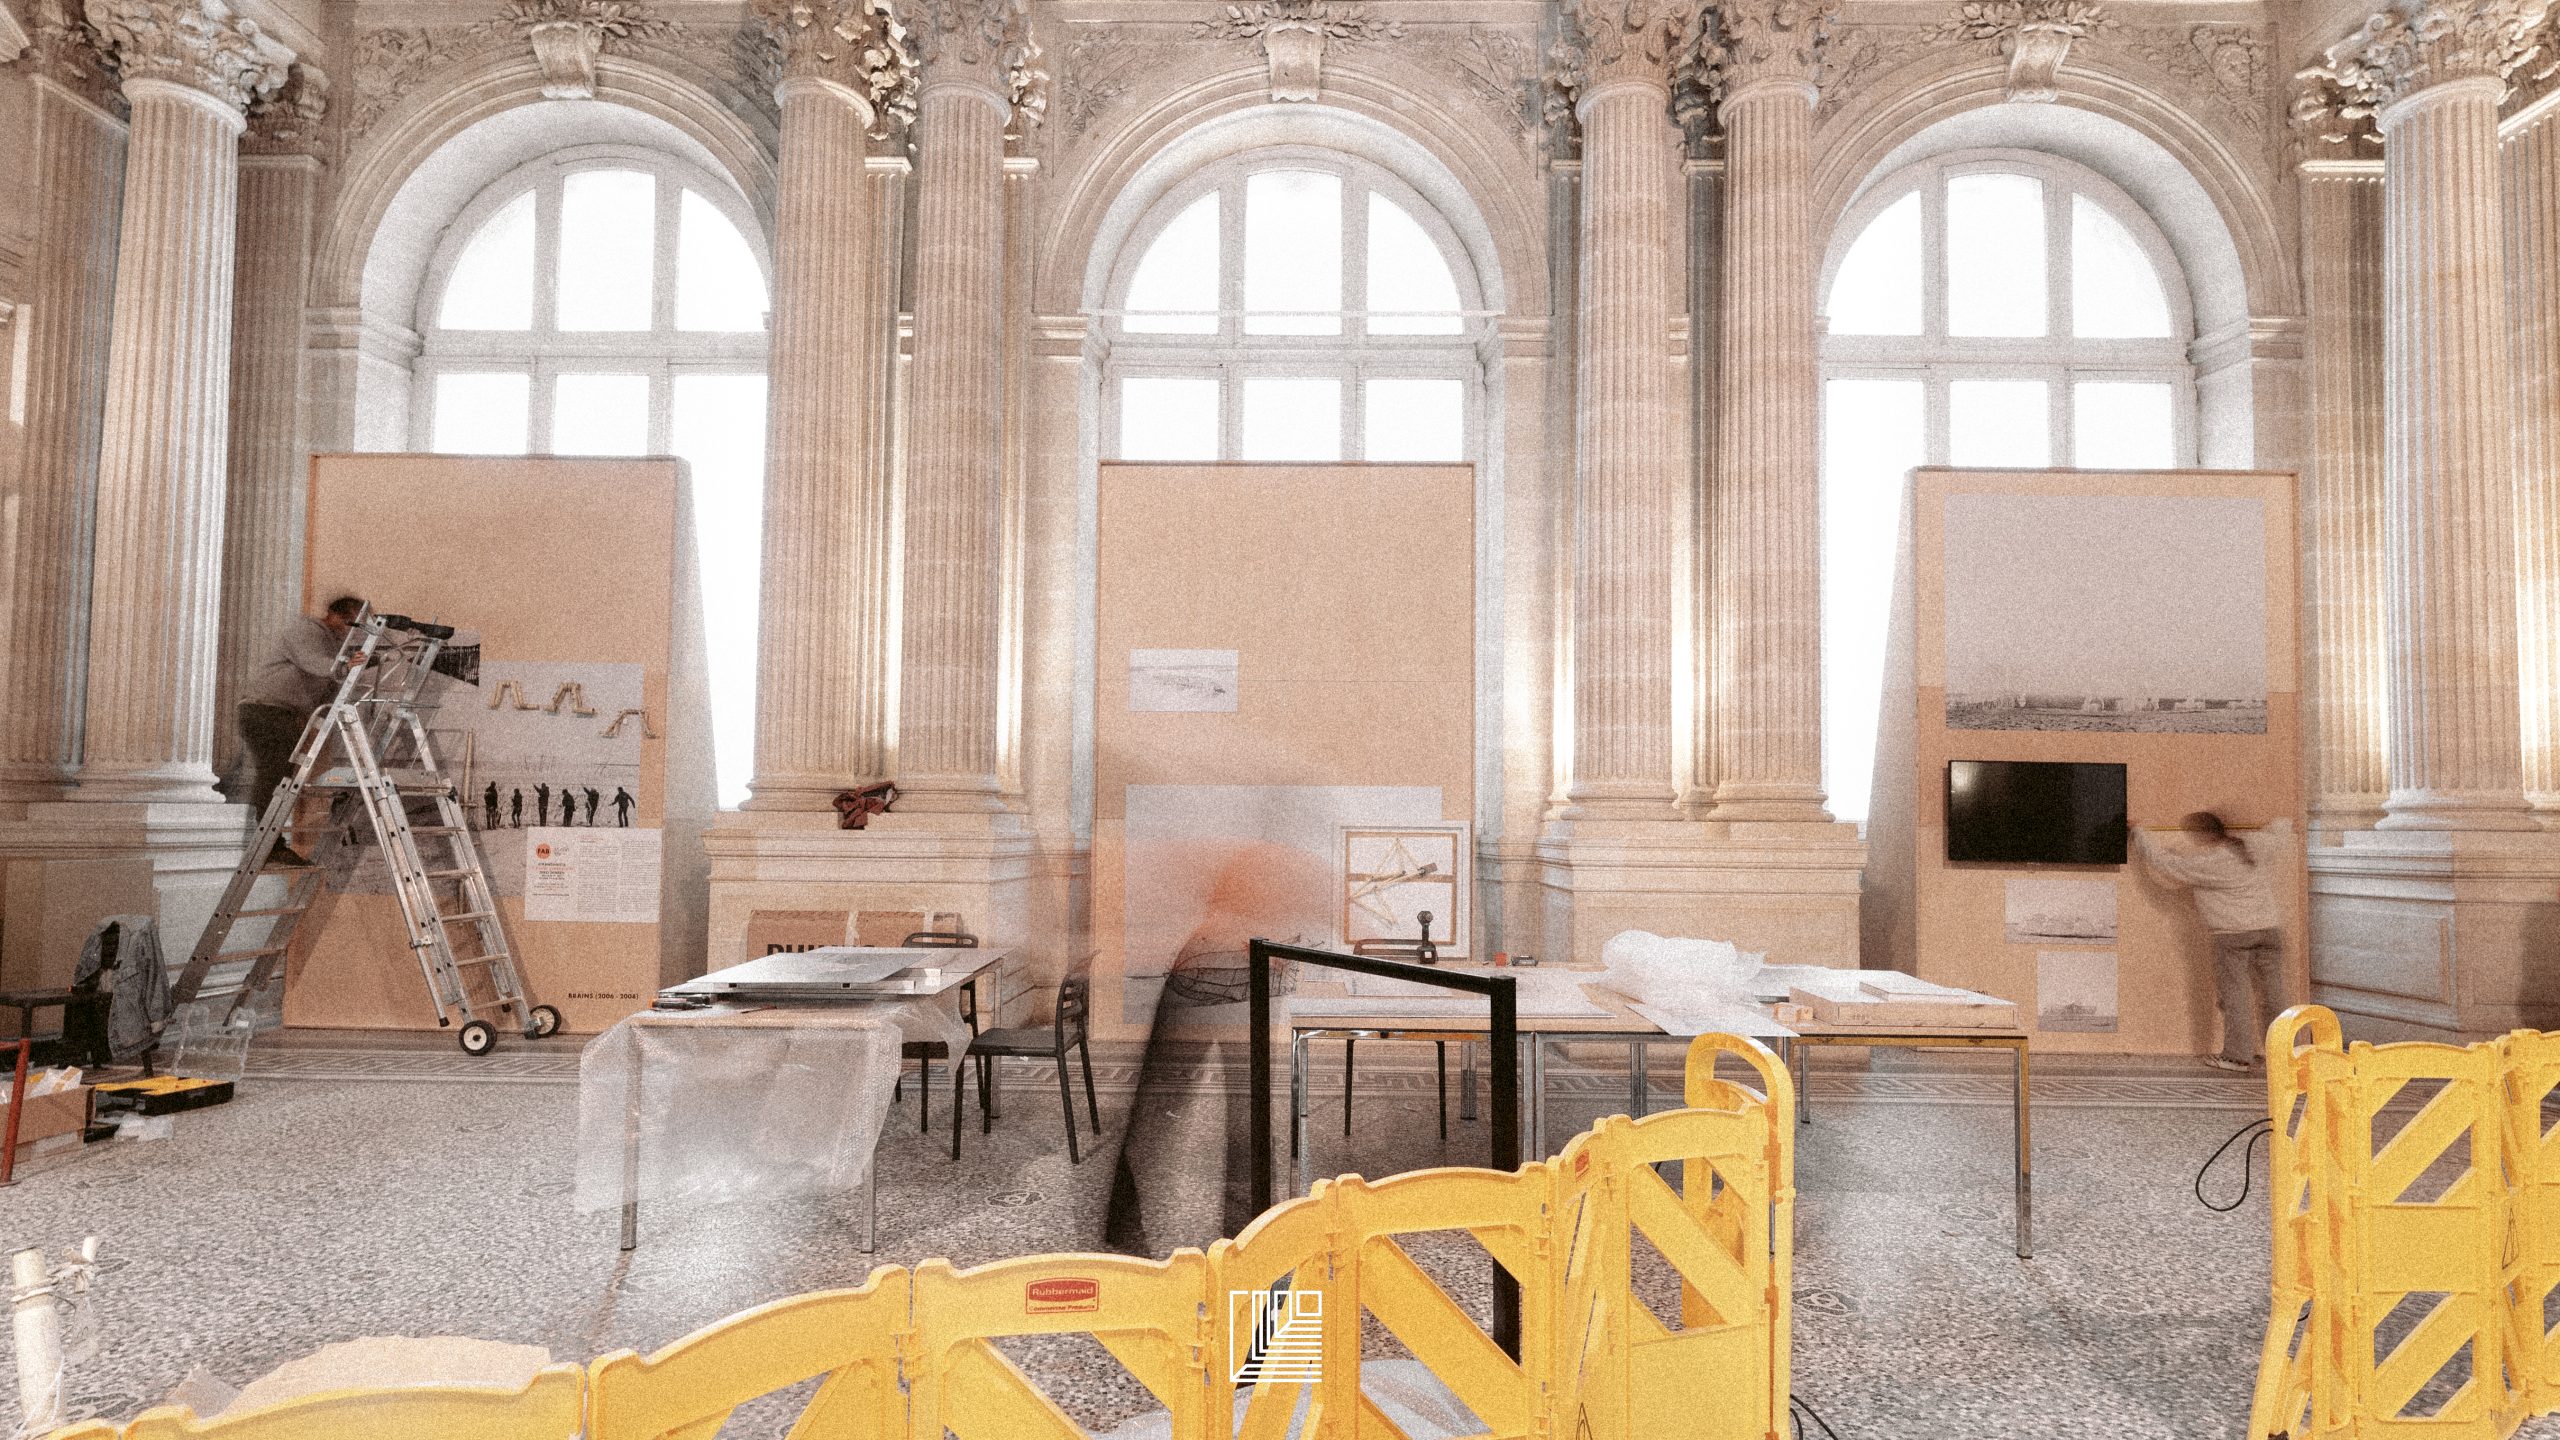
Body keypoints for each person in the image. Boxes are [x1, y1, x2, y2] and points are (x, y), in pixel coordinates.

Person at [2137, 811, 2290, 1072]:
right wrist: (2276, 818)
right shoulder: (2255, 845)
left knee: (2235, 996)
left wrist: (2139, 833)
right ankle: (2284, 1054)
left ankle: (2238, 1057)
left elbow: (2164, 865)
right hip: (2269, 930)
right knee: (2274, 993)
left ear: (2202, 835)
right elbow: (2282, 828)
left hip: (2232, 935)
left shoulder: (2209, 862)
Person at [236, 595, 365, 864]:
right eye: (351, 622)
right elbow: (311, 661)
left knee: (279, 775)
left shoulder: (333, 645)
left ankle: (269, 844)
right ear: (335, 615)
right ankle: (267, 847)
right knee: (275, 775)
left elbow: (328, 686)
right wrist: (344, 665)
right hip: (265, 710)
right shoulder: (307, 630)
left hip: (283, 714)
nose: (353, 630)